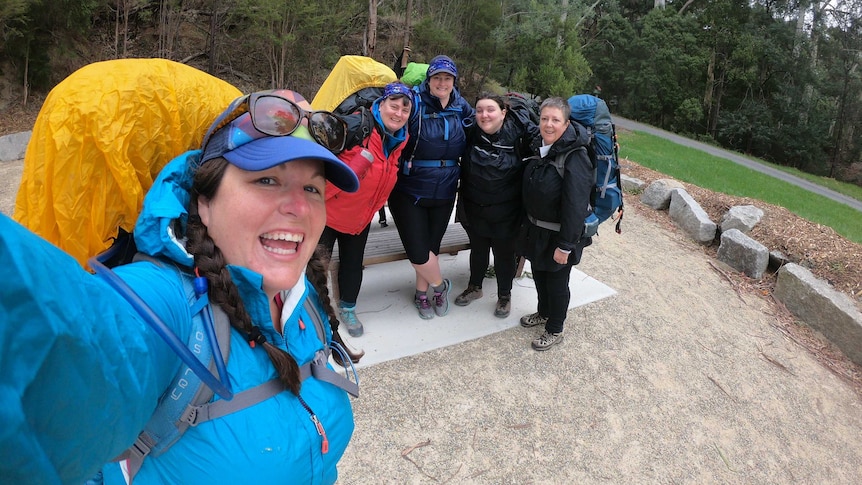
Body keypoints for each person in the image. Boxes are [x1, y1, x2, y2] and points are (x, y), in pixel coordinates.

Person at [0, 89, 362, 484]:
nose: (300, 207)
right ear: (203, 202)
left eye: (313, 188)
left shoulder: (303, 296)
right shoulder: (165, 305)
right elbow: (57, 350)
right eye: (267, 179)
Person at [320, 82, 413, 336]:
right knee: (315, 269)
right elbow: (321, 168)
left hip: (360, 218)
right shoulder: (356, 128)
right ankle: (313, 315)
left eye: (405, 110)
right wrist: (319, 200)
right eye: (393, 106)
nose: (398, 114)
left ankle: (348, 309)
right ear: (380, 105)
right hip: (325, 216)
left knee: (353, 265)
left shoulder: (398, 142)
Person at [388, 55, 475, 319]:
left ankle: (422, 295)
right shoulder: (414, 102)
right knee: (417, 250)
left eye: (447, 78)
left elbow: (479, 132)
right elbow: (392, 122)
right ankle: (441, 285)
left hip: (446, 187)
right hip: (410, 187)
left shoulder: (461, 106)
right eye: (437, 77)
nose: (441, 82)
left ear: (454, 81)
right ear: (429, 79)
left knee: (431, 248)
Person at [518, 97, 594, 351]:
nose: (548, 124)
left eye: (555, 120)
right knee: (539, 273)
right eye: (544, 118)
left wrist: (565, 245)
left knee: (557, 282)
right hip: (537, 230)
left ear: (566, 123)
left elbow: (575, 205)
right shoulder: (539, 146)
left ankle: (555, 328)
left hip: (561, 236)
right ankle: (543, 312)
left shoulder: (575, 156)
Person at [455, 93, 538, 318]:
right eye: (480, 110)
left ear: (503, 112)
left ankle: (504, 295)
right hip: (475, 204)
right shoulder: (471, 130)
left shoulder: (519, 132)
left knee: (504, 253)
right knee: (478, 249)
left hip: (507, 208)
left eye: (490, 110)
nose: (484, 115)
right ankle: (475, 287)